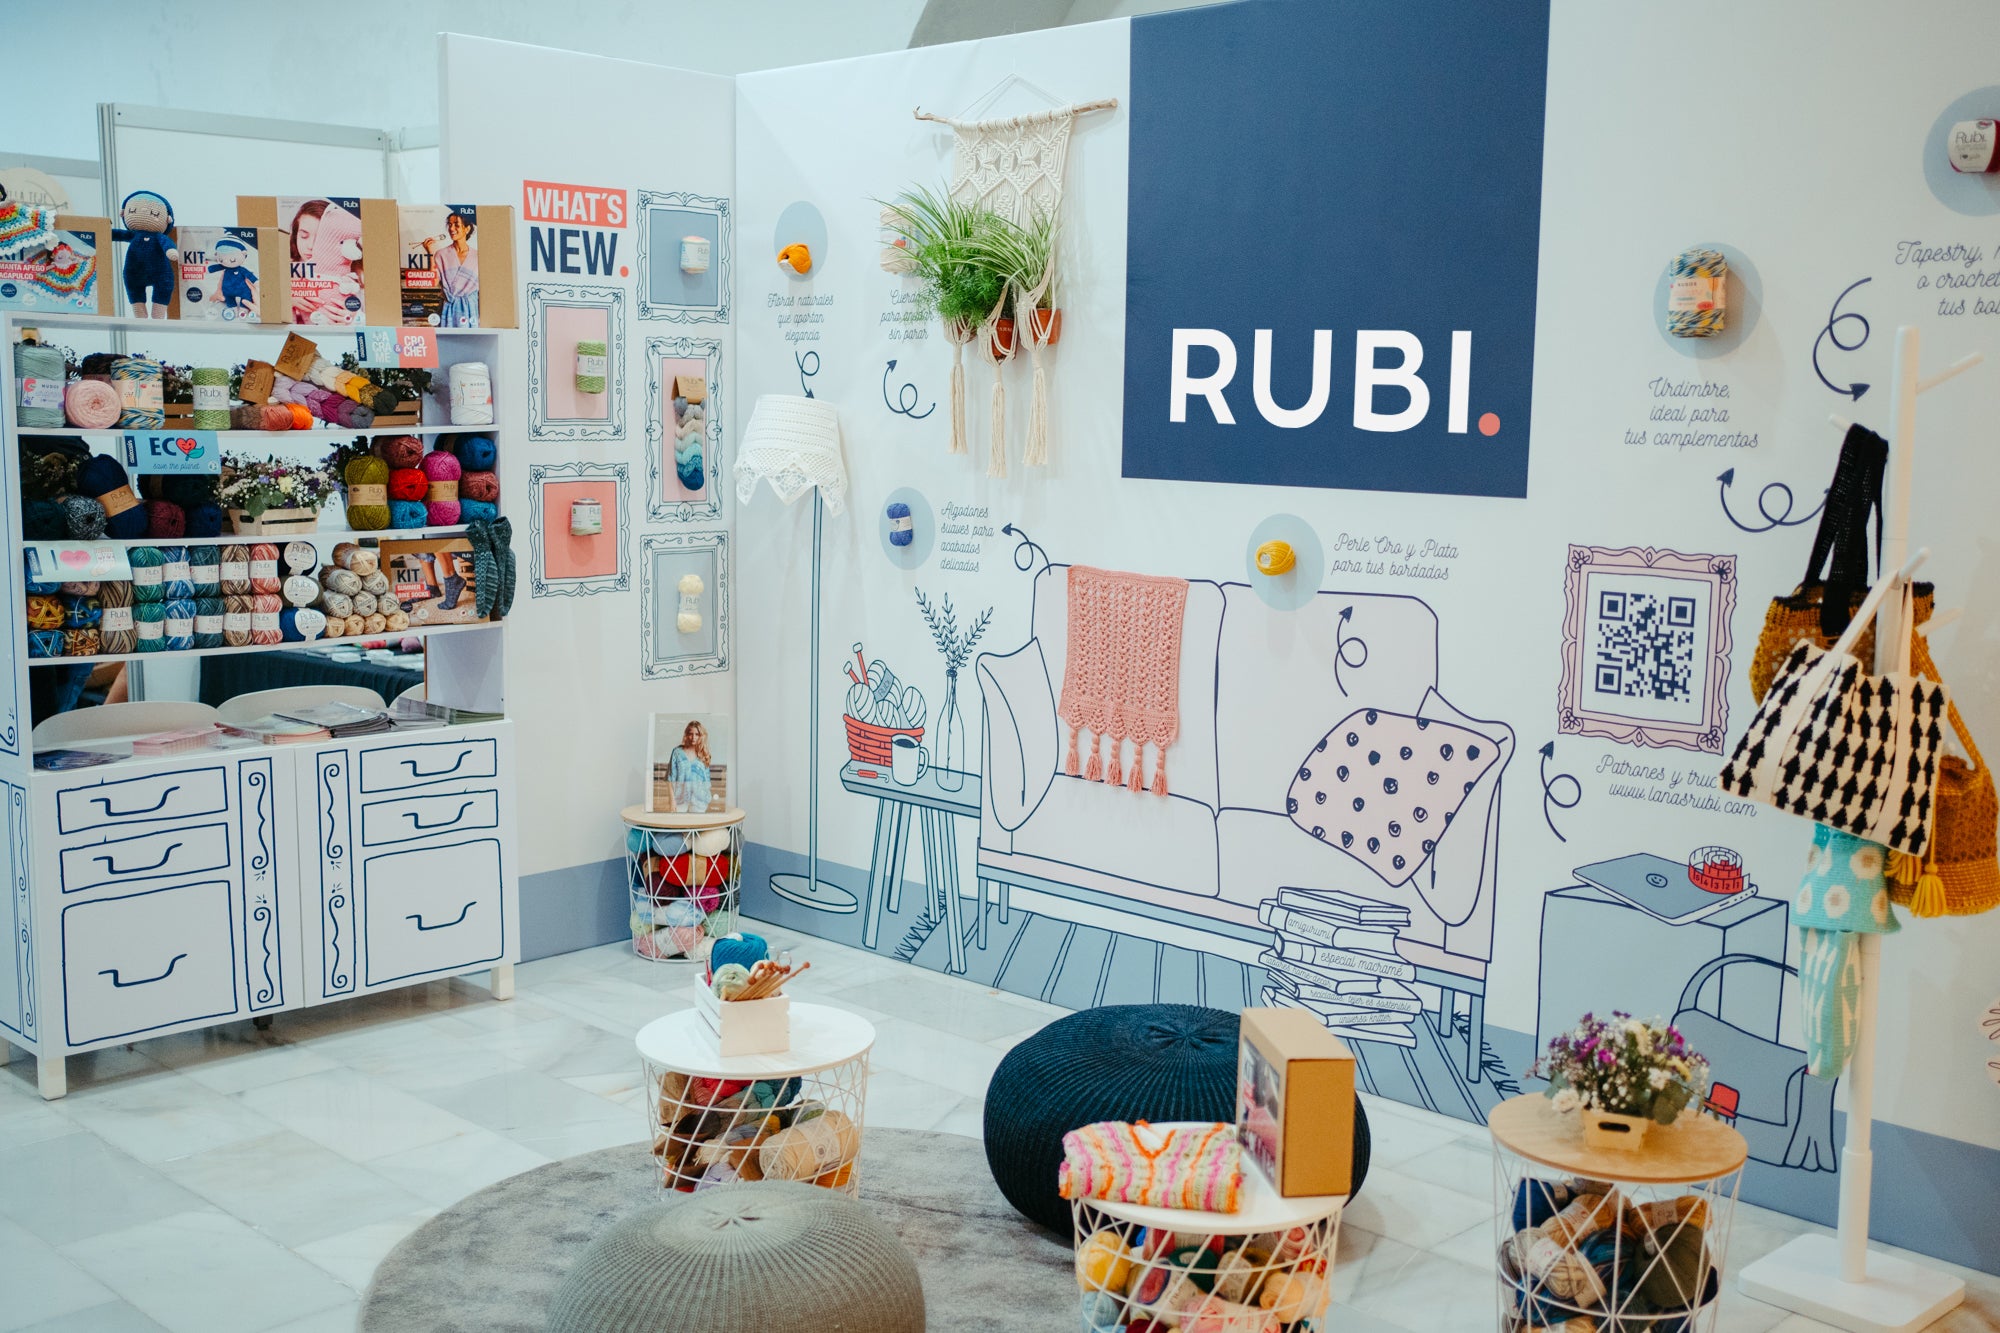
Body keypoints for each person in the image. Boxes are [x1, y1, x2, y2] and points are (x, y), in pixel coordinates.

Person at [423, 211, 480, 327]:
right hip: (447, 308)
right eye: (450, 224)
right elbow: (433, 281)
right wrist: (430, 253)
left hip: (471, 311)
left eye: (456, 225)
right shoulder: (441, 254)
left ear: (467, 229)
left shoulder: (478, 256)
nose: (451, 228)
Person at [666, 720, 713, 811]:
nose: (693, 737)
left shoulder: (703, 754)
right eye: (691, 734)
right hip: (679, 799)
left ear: (701, 736)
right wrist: (672, 800)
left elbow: (706, 781)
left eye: (697, 734)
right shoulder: (677, 752)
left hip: (699, 800)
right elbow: (670, 779)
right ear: (686, 735)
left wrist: (705, 797)